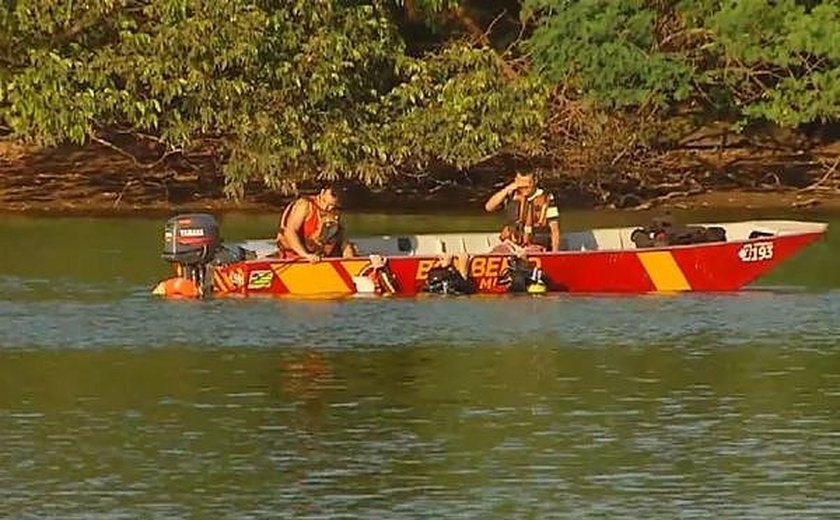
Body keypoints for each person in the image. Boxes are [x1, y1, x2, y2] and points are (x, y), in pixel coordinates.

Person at [484, 168, 561, 253]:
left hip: (534, 246)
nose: (524, 188)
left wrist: (554, 253)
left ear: (535, 181)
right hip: (512, 243)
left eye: (527, 184)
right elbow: (489, 207)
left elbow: (554, 229)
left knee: (526, 254)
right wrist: (508, 188)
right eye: (521, 184)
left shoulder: (546, 198)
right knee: (498, 252)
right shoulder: (512, 195)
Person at [276, 183, 357, 262]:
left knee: (349, 248)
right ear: (322, 193)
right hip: (296, 254)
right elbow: (290, 232)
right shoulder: (305, 205)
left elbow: (339, 236)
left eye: (332, 206)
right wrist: (305, 255)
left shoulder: (334, 211)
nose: (327, 208)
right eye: (325, 203)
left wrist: (346, 248)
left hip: (318, 254)